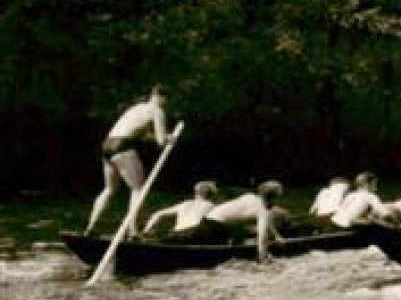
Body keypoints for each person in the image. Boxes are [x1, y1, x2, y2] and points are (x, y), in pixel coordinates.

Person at [86, 85, 172, 235]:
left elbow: (140, 134)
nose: (166, 103)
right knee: (138, 189)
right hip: (123, 146)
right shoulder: (157, 111)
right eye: (166, 100)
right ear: (162, 97)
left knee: (109, 189)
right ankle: (133, 231)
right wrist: (169, 138)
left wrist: (161, 136)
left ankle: (90, 227)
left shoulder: (136, 108)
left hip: (107, 144)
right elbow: (160, 142)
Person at [190, 182, 286, 261]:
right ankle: (234, 250)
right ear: (274, 199)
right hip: (216, 228)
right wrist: (263, 255)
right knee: (249, 231)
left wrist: (276, 235)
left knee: (240, 227)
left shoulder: (249, 196)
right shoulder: (262, 211)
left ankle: (234, 245)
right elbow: (261, 238)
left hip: (204, 222)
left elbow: (266, 220)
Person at [143, 181, 217, 237]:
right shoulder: (211, 206)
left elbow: (158, 214)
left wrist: (146, 230)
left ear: (196, 193)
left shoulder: (184, 204)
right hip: (191, 235)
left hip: (176, 234)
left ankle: (144, 233)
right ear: (212, 195)